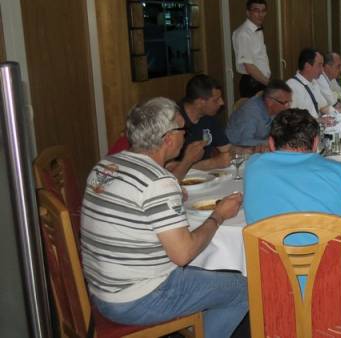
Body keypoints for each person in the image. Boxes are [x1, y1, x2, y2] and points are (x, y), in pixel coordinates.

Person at [81, 97, 247, 338]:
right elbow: (183, 254)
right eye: (182, 130)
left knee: (213, 277)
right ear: (168, 139)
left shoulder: (106, 165)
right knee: (243, 289)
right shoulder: (158, 182)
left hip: (100, 290)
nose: (185, 135)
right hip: (138, 298)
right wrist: (218, 215)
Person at [243, 108, 341, 248]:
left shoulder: (253, 166)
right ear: (316, 143)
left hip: (269, 262)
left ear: (271, 143)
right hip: (328, 262)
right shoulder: (337, 173)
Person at [173, 75, 231, 178]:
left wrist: (249, 150)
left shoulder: (209, 117)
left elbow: (227, 150)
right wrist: (211, 164)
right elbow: (167, 169)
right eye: (216, 100)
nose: (222, 103)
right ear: (200, 103)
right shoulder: (172, 120)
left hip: (205, 179)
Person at [225, 79, 293, 151]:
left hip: (257, 150)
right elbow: (244, 142)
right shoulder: (250, 112)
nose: (287, 107)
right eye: (284, 103)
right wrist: (272, 142)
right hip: (235, 152)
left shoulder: (274, 111)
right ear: (270, 101)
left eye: (289, 102)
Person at [232, 0, 271, 97]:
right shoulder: (243, 33)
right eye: (256, 11)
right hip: (252, 84)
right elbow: (249, 66)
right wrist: (269, 84)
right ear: (248, 13)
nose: (260, 14)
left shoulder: (258, 30)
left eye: (263, 11)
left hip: (261, 81)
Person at [286, 48, 331, 119]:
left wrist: (339, 113)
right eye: (319, 65)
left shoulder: (313, 82)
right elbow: (292, 119)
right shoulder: (291, 86)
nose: (322, 70)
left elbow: (323, 107)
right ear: (307, 66)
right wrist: (318, 120)